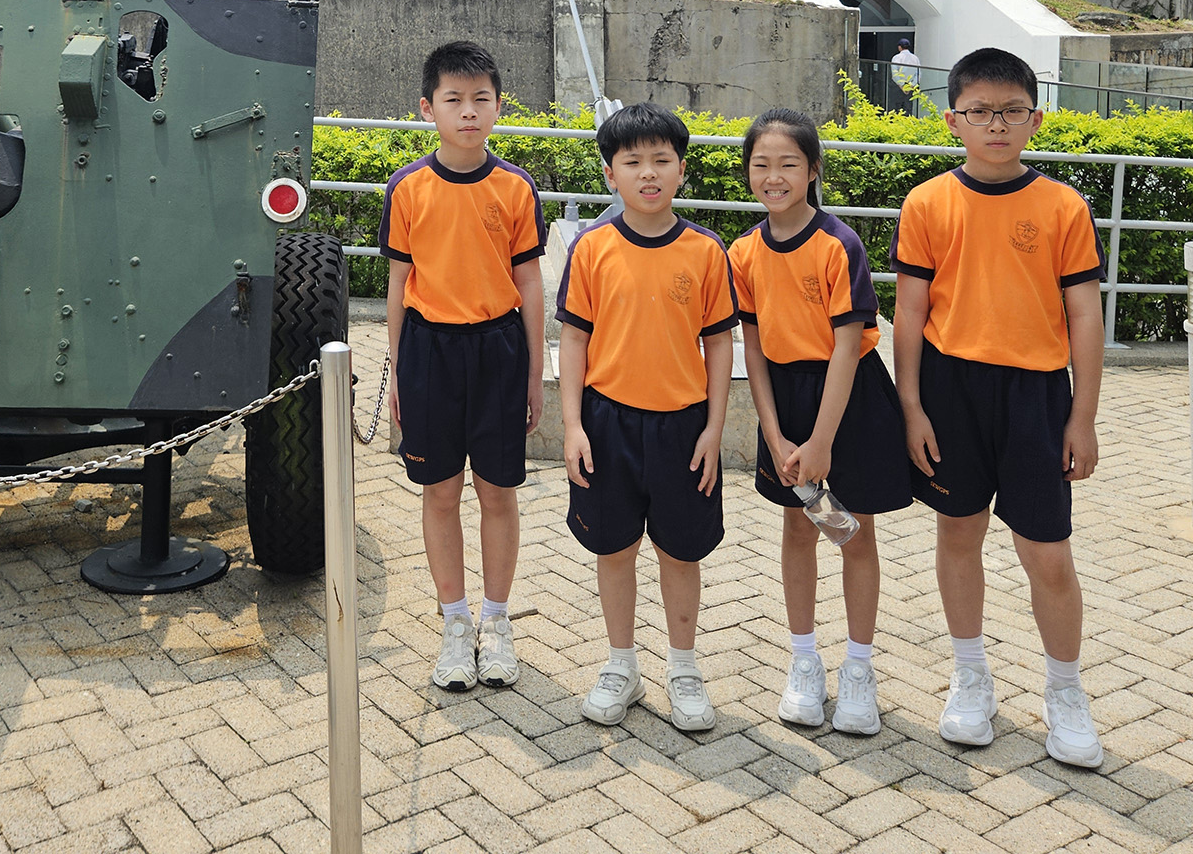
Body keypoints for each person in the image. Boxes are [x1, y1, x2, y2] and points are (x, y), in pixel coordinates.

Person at [891, 46, 1108, 769]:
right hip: (950, 389)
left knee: (1047, 550)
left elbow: (1084, 315)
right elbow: (911, 312)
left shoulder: (1062, 206)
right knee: (959, 533)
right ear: (952, 120)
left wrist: (1082, 417)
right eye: (980, 111)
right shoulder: (927, 203)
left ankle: (1065, 690)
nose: (996, 125)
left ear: (1034, 120)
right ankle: (970, 675)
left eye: (1011, 111)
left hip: (1036, 394)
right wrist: (912, 407)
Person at [731, 108, 913, 736]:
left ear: (812, 170)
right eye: (761, 164)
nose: (773, 176)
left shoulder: (840, 244)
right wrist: (775, 432)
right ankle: (804, 662)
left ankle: (858, 668)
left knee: (854, 533)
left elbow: (846, 344)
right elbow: (754, 349)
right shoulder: (743, 252)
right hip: (784, 400)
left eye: (788, 164)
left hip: (847, 398)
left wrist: (821, 441)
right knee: (798, 527)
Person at [557, 102, 738, 732]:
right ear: (611, 174)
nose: (649, 173)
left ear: (682, 170)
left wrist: (714, 428)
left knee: (680, 552)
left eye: (662, 160)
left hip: (683, 427)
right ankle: (621, 665)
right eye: (633, 162)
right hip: (607, 423)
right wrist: (573, 426)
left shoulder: (706, 251)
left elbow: (720, 343)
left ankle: (683, 668)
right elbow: (573, 341)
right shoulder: (592, 248)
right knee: (615, 548)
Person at [379, 41, 548, 692]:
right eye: (454, 100)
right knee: (441, 491)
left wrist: (533, 373)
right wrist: (398, 370)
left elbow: (529, 284)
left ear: (499, 106)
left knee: (497, 491)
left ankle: (496, 620)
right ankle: (455, 623)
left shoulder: (515, 187)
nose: (468, 112)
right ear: (429, 109)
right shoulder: (407, 188)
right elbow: (398, 284)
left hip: (499, 350)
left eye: (481, 99)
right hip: (430, 352)